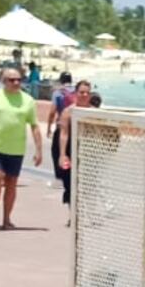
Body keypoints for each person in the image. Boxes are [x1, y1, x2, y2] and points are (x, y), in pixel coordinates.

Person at [0, 68, 43, 229]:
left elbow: (34, 126)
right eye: (11, 80)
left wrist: (38, 151)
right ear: (3, 81)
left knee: (11, 183)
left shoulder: (28, 100)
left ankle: (6, 218)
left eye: (19, 79)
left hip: (16, 148)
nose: (16, 83)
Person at [57, 81, 95, 225]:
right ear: (76, 93)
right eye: (81, 92)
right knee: (69, 184)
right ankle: (72, 215)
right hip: (69, 151)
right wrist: (62, 154)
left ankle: (89, 214)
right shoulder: (68, 112)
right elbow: (64, 134)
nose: (84, 95)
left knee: (88, 184)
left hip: (88, 152)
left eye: (87, 92)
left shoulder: (94, 112)